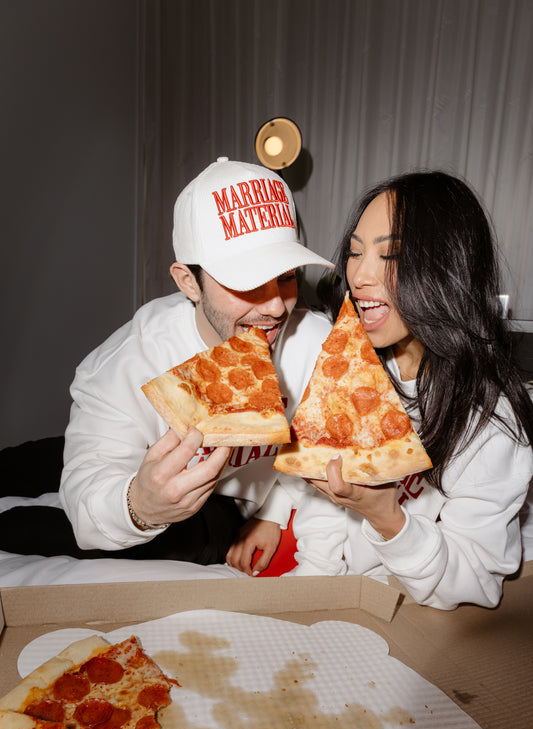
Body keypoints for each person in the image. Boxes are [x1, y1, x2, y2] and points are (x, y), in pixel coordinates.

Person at [1, 157, 333, 574]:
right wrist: (139, 505)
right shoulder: (122, 365)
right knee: (49, 470)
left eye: (287, 277)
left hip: (223, 503)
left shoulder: (319, 343)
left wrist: (273, 512)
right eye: (248, 283)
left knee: (193, 539)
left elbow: (317, 452)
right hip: (136, 458)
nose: (274, 307)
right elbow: (91, 492)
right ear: (188, 281)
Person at [289, 170, 533, 610]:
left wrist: (385, 515)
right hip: (353, 592)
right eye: (355, 252)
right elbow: (322, 496)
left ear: (446, 270)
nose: (359, 276)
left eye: (392, 255)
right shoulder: (355, 368)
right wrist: (307, 588)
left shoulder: (487, 416)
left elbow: (477, 583)